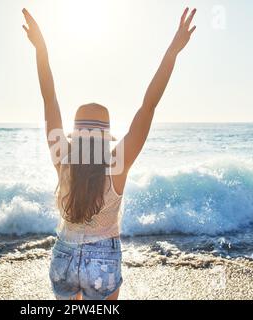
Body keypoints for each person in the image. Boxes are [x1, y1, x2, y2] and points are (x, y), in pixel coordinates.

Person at [22, 7, 197, 300]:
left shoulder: (63, 158)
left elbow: (49, 98)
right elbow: (148, 106)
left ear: (76, 135)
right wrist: (173, 51)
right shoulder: (116, 163)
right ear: (105, 136)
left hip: (63, 257)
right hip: (102, 261)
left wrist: (41, 48)